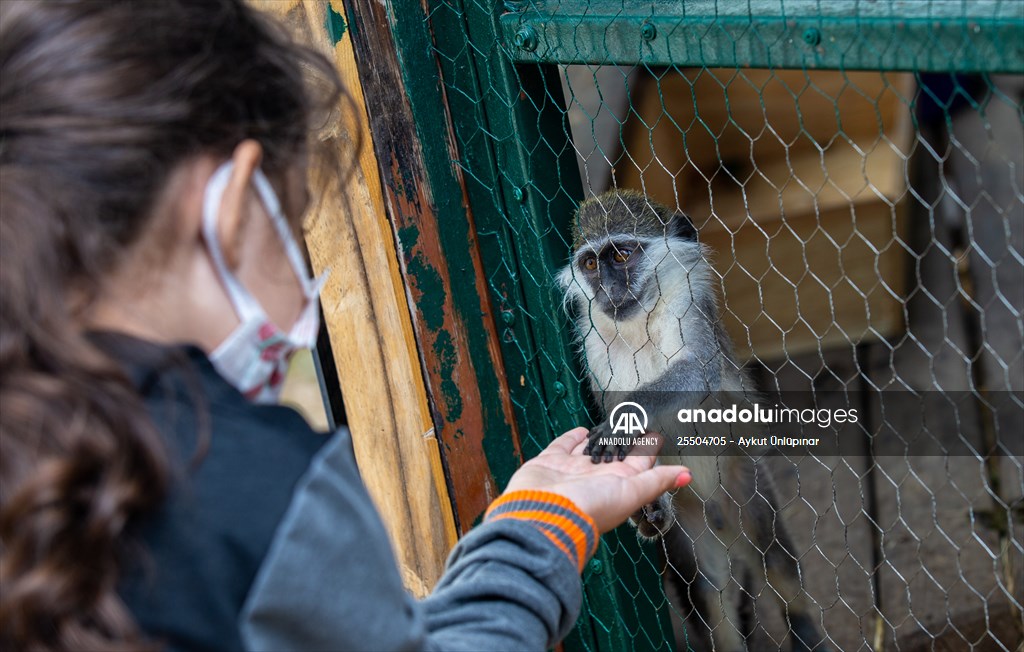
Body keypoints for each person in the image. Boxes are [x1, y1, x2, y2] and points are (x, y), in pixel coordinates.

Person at [0, 1, 692, 650]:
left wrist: (531, 528)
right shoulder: (267, 492)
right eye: (295, 224)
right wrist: (544, 530)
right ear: (236, 208)